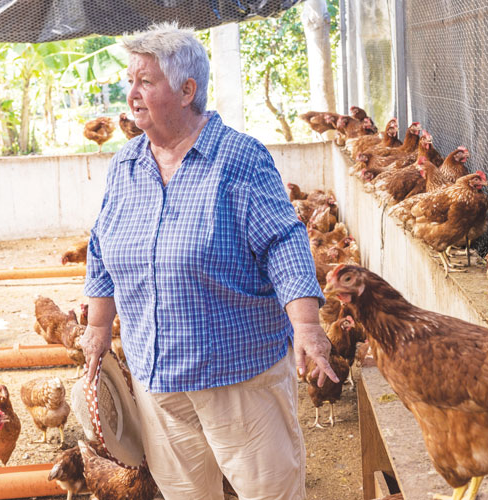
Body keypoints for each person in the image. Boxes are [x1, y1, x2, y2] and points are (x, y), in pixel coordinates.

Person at [80, 22, 338, 500]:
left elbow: (283, 242)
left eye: (145, 81)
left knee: (269, 493)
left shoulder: (237, 158)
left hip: (238, 377)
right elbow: (101, 247)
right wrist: (98, 328)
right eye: (130, 80)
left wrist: (306, 326)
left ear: (186, 90)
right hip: (158, 379)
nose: (131, 93)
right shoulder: (126, 164)